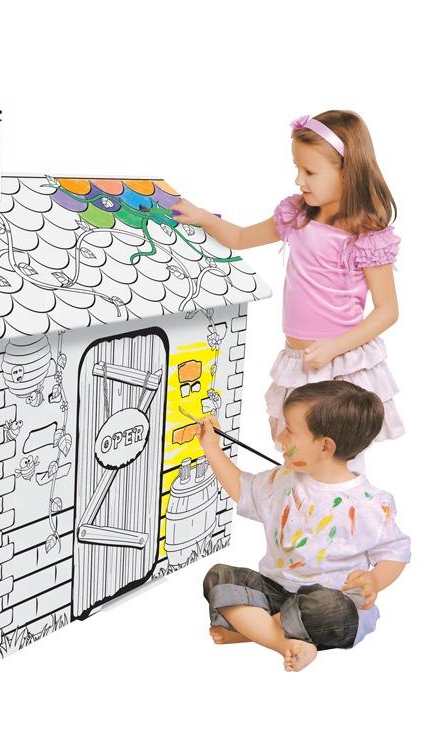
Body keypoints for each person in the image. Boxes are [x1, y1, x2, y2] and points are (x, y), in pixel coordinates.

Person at [171, 110, 403, 471]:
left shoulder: (365, 234)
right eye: (297, 168)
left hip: (339, 363)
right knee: (293, 448)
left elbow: (388, 310)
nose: (299, 180)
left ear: (346, 171)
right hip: (298, 359)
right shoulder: (297, 215)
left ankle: (338, 504)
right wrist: (202, 216)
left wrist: (333, 347)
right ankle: (295, 502)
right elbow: (242, 237)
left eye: (310, 172)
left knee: (336, 456)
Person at [198, 380, 410, 671]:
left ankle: (253, 630)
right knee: (219, 576)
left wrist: (374, 580)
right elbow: (242, 488)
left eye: (290, 430)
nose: (280, 437)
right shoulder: (283, 479)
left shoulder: (370, 503)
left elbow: (394, 553)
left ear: (325, 446)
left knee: (333, 609)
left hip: (326, 603)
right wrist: (211, 448)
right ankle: (282, 641)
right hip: (275, 593)